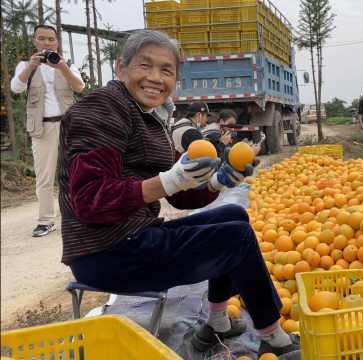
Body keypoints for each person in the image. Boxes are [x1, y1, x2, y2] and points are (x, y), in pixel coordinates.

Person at [58, 30, 299, 357]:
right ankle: (273, 336)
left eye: (166, 70)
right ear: (121, 68)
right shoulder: (101, 109)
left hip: (135, 238)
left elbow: (181, 197)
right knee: (235, 238)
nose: (155, 78)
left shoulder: (149, 120)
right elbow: (89, 201)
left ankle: (217, 322)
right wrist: (167, 181)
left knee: (233, 215)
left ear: (176, 78)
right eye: (145, 66)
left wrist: (217, 182)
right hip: (105, 254)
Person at [10, 24, 85, 237]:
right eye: (41, 38)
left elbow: (79, 86)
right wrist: (30, 67)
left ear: (57, 42)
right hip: (42, 128)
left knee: (75, 173)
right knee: (44, 177)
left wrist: (62, 67)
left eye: (51, 39)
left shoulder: (66, 64)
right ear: (34, 41)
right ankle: (45, 221)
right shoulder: (25, 65)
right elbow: (16, 88)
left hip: (69, 126)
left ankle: (77, 216)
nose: (46, 43)